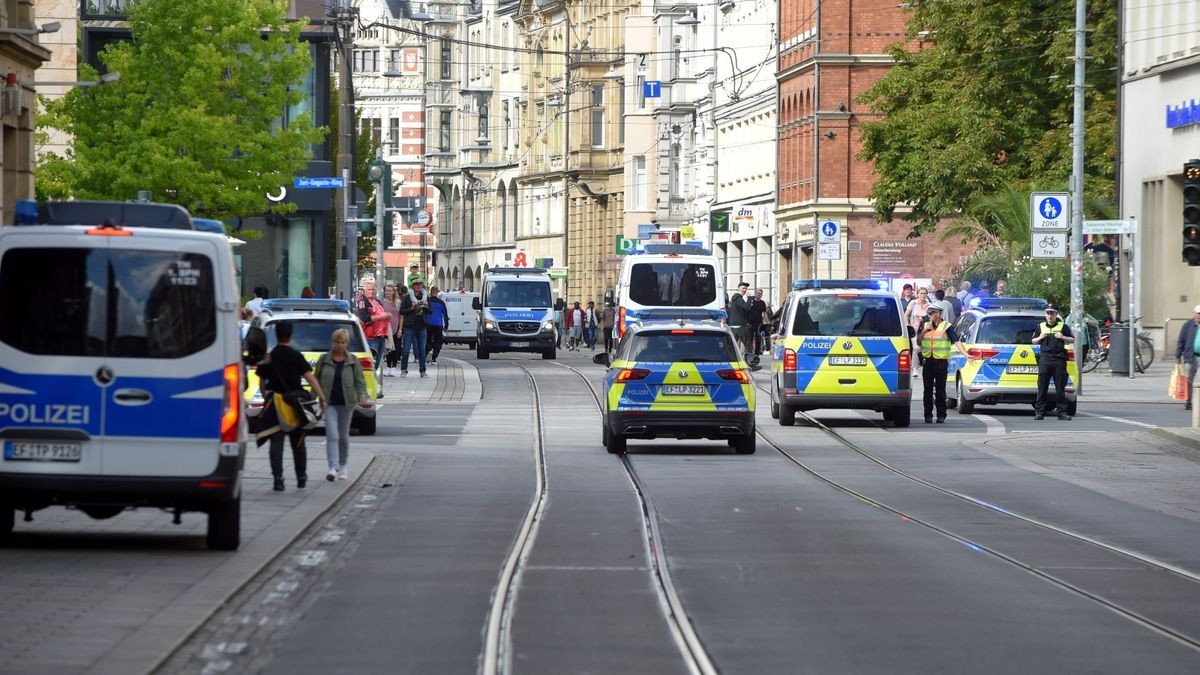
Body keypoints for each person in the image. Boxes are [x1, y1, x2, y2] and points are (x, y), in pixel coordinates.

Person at [258, 320, 327, 491]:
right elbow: (311, 379)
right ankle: (301, 477)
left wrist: (266, 394)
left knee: (276, 444)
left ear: (276, 335)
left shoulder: (270, 356)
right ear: (290, 335)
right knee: (298, 443)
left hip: (275, 404)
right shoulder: (296, 356)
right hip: (295, 405)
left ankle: (278, 480)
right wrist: (322, 398)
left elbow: (261, 381)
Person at [314, 328, 367, 481]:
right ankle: (333, 467)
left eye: (343, 342)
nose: (340, 345)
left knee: (343, 436)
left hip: (346, 402)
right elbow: (316, 380)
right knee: (332, 435)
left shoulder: (352, 361)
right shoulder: (324, 359)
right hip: (328, 402)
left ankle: (343, 465)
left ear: (347, 343)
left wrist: (361, 395)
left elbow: (360, 381)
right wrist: (314, 399)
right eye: (337, 342)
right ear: (333, 342)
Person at [917, 305, 971, 423]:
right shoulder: (924, 324)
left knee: (941, 389)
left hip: (941, 362)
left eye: (931, 313)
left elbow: (956, 341)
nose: (929, 316)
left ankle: (941, 415)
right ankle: (928, 415)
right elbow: (918, 341)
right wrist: (924, 330)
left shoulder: (946, 326)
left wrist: (965, 354)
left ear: (938, 314)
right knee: (927, 390)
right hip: (928, 361)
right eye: (929, 313)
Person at [1032, 304, 1075, 420]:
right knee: (1042, 387)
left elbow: (1073, 339)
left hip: (1059, 359)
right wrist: (1040, 337)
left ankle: (1061, 412)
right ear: (1045, 315)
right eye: (1048, 313)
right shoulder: (1040, 326)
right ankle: (1039, 412)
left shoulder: (1063, 326)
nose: (1050, 316)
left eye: (1052, 313)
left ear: (1056, 315)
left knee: (1060, 387)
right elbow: (1033, 341)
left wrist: (1062, 337)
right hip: (1045, 358)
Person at [356, 276, 391, 384]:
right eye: (369, 289)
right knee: (370, 363)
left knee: (376, 363)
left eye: (373, 289)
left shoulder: (377, 301)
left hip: (381, 336)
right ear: (365, 291)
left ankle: (371, 384)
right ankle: (366, 384)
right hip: (371, 336)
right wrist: (383, 316)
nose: (371, 291)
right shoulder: (363, 301)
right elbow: (364, 319)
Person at [398, 279, 431, 377]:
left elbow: (430, 311)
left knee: (422, 350)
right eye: (416, 284)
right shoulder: (407, 298)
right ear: (413, 286)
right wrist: (411, 308)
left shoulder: (425, 297)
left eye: (420, 284)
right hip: (409, 326)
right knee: (406, 350)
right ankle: (404, 369)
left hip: (422, 326)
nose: (418, 286)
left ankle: (423, 371)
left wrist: (425, 306)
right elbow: (402, 311)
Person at [1175, 305, 1200, 411]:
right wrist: (1178, 355)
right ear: (1194, 313)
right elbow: (1181, 340)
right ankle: (1189, 402)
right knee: (1189, 380)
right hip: (1190, 356)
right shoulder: (1187, 325)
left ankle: (1198, 402)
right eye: (1198, 313)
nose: (1199, 315)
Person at [728, 282, 754, 356]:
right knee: (748, 346)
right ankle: (751, 362)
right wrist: (749, 298)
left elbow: (743, 310)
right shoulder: (738, 298)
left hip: (734, 326)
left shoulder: (736, 299)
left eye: (746, 288)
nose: (745, 290)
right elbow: (747, 307)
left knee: (731, 345)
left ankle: (728, 359)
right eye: (743, 288)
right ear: (738, 289)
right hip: (740, 327)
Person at [426, 286, 449, 365]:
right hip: (438, 325)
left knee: (427, 340)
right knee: (438, 342)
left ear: (430, 292)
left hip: (428, 324)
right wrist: (446, 326)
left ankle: (429, 350)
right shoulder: (441, 303)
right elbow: (445, 315)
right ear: (437, 293)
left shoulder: (427, 301)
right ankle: (434, 359)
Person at [382, 284, 401, 377]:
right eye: (386, 291)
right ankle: (388, 367)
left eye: (389, 291)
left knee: (395, 349)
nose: (388, 292)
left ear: (393, 292)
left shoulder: (398, 302)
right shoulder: (383, 302)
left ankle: (394, 368)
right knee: (388, 348)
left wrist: (400, 329)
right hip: (387, 329)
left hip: (396, 327)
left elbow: (401, 317)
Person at [749, 289, 768, 361]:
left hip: (759, 324)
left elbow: (764, 313)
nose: (759, 295)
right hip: (750, 323)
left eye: (761, 294)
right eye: (758, 293)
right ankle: (750, 354)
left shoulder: (762, 303)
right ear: (755, 294)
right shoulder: (750, 301)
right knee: (750, 340)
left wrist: (767, 322)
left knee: (758, 339)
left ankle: (756, 355)